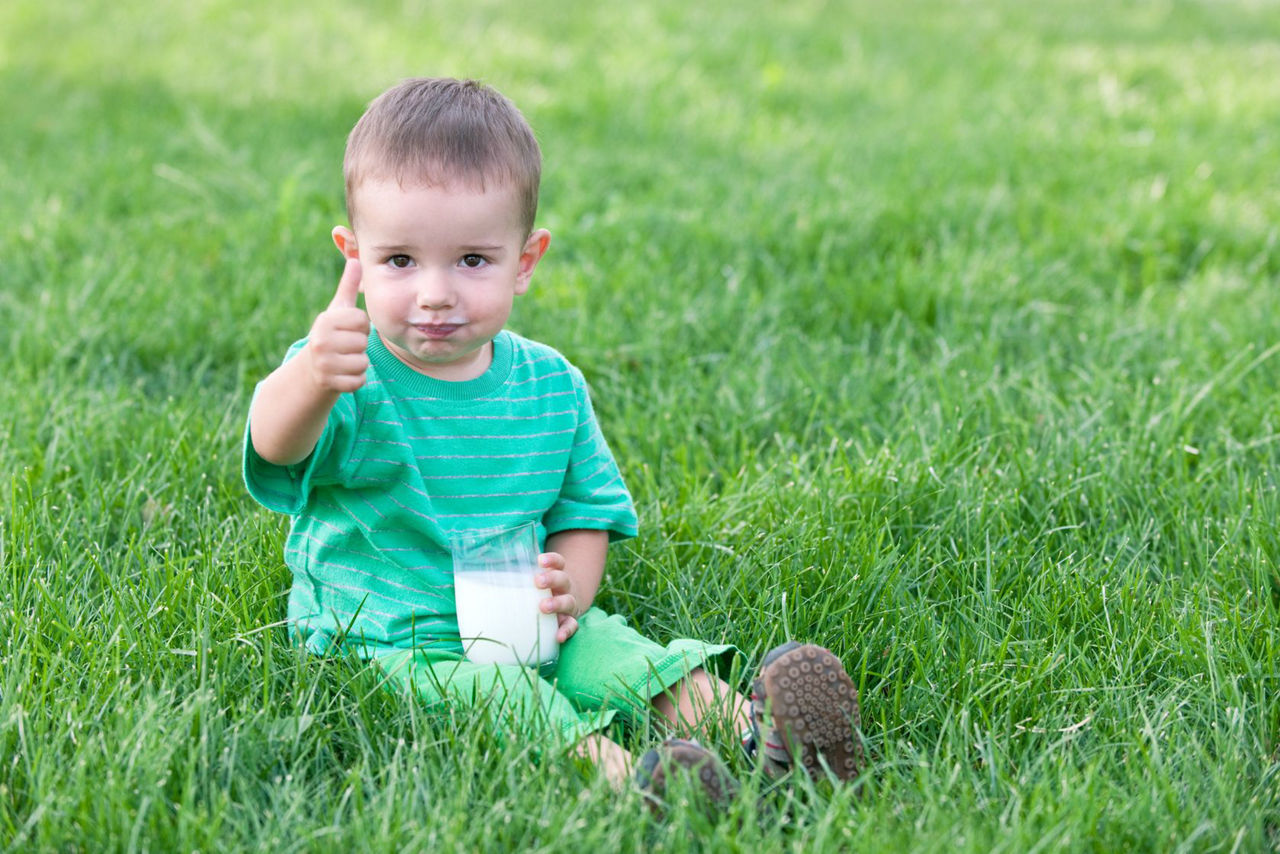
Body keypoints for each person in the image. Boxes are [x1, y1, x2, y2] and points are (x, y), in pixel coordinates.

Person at [243, 76, 861, 803]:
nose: (435, 292)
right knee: (508, 700)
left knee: (626, 656)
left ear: (524, 261)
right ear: (355, 255)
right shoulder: (343, 371)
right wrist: (311, 377)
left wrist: (572, 592)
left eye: (472, 260)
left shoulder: (550, 385)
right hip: (389, 639)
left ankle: (769, 738)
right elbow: (275, 447)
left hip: (528, 623)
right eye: (400, 261)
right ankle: (635, 782)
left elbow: (582, 511)